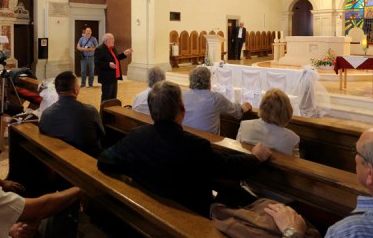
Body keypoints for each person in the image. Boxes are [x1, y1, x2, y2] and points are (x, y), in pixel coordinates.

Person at [98, 80, 272, 217]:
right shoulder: (195, 145)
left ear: (151, 110)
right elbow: (227, 167)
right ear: (182, 109)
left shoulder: (136, 135)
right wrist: (255, 158)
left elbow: (104, 160)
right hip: (191, 214)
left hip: (152, 202)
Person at [39, 71, 105, 157]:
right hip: (86, 158)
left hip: (56, 157)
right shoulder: (90, 111)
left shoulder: (46, 113)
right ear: (75, 90)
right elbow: (102, 134)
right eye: (77, 84)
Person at [182, 67, 251, 134]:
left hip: (185, 137)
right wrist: (243, 107)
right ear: (208, 82)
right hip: (207, 140)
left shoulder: (183, 96)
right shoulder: (216, 98)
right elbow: (237, 112)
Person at [237, 89, 300, 156]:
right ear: (287, 111)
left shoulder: (244, 125)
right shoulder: (292, 138)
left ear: (262, 106)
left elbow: (237, 150)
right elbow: (295, 161)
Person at [94, 33, 132, 102]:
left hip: (114, 77)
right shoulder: (99, 49)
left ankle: (112, 109)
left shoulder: (113, 48)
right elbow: (97, 63)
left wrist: (124, 54)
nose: (113, 40)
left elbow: (116, 58)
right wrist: (108, 64)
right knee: (106, 98)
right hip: (107, 78)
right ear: (106, 40)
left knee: (113, 98)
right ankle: (104, 109)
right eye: (112, 39)